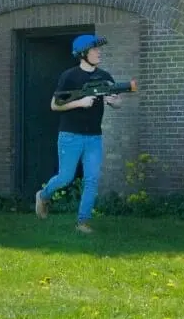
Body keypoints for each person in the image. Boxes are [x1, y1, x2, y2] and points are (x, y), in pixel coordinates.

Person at [35, 34, 123, 233]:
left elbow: (118, 103)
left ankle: (83, 222)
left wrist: (113, 101)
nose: (99, 52)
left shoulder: (105, 77)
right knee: (65, 178)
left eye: (98, 49)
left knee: (91, 179)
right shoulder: (69, 76)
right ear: (83, 54)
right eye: (94, 50)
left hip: (94, 137)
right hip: (70, 136)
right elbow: (54, 105)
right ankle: (43, 196)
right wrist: (80, 103)